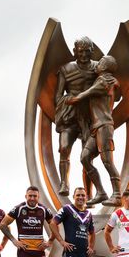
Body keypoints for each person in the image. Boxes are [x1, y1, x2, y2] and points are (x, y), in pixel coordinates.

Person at [67, 55, 122, 206]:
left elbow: (87, 93)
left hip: (104, 126)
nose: (98, 64)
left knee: (107, 161)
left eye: (101, 62)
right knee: (85, 157)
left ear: (105, 67)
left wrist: (73, 98)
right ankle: (101, 192)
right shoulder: (107, 80)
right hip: (96, 127)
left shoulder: (104, 80)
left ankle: (117, 194)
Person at [54, 36, 98, 196]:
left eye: (87, 51)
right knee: (64, 148)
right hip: (70, 115)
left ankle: (89, 193)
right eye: (81, 51)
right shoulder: (66, 69)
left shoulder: (98, 68)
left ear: (92, 52)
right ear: (75, 52)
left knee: (87, 156)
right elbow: (58, 96)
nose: (84, 55)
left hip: (90, 117)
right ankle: (64, 183)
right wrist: (69, 102)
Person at [0, 186, 59, 257]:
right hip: (24, 250)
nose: (32, 198)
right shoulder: (19, 209)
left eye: (35, 196)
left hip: (39, 250)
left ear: (38, 197)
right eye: (30, 196)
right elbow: (2, 225)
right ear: (26, 196)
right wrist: (14, 241)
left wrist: (50, 241)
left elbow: (55, 225)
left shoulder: (44, 209)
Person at [51, 187, 95, 257]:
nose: (80, 197)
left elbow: (92, 233)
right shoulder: (66, 209)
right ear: (73, 197)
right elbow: (53, 223)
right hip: (70, 252)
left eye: (83, 195)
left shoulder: (89, 214)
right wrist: (61, 241)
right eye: (78, 195)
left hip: (84, 254)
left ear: (86, 197)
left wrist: (91, 247)